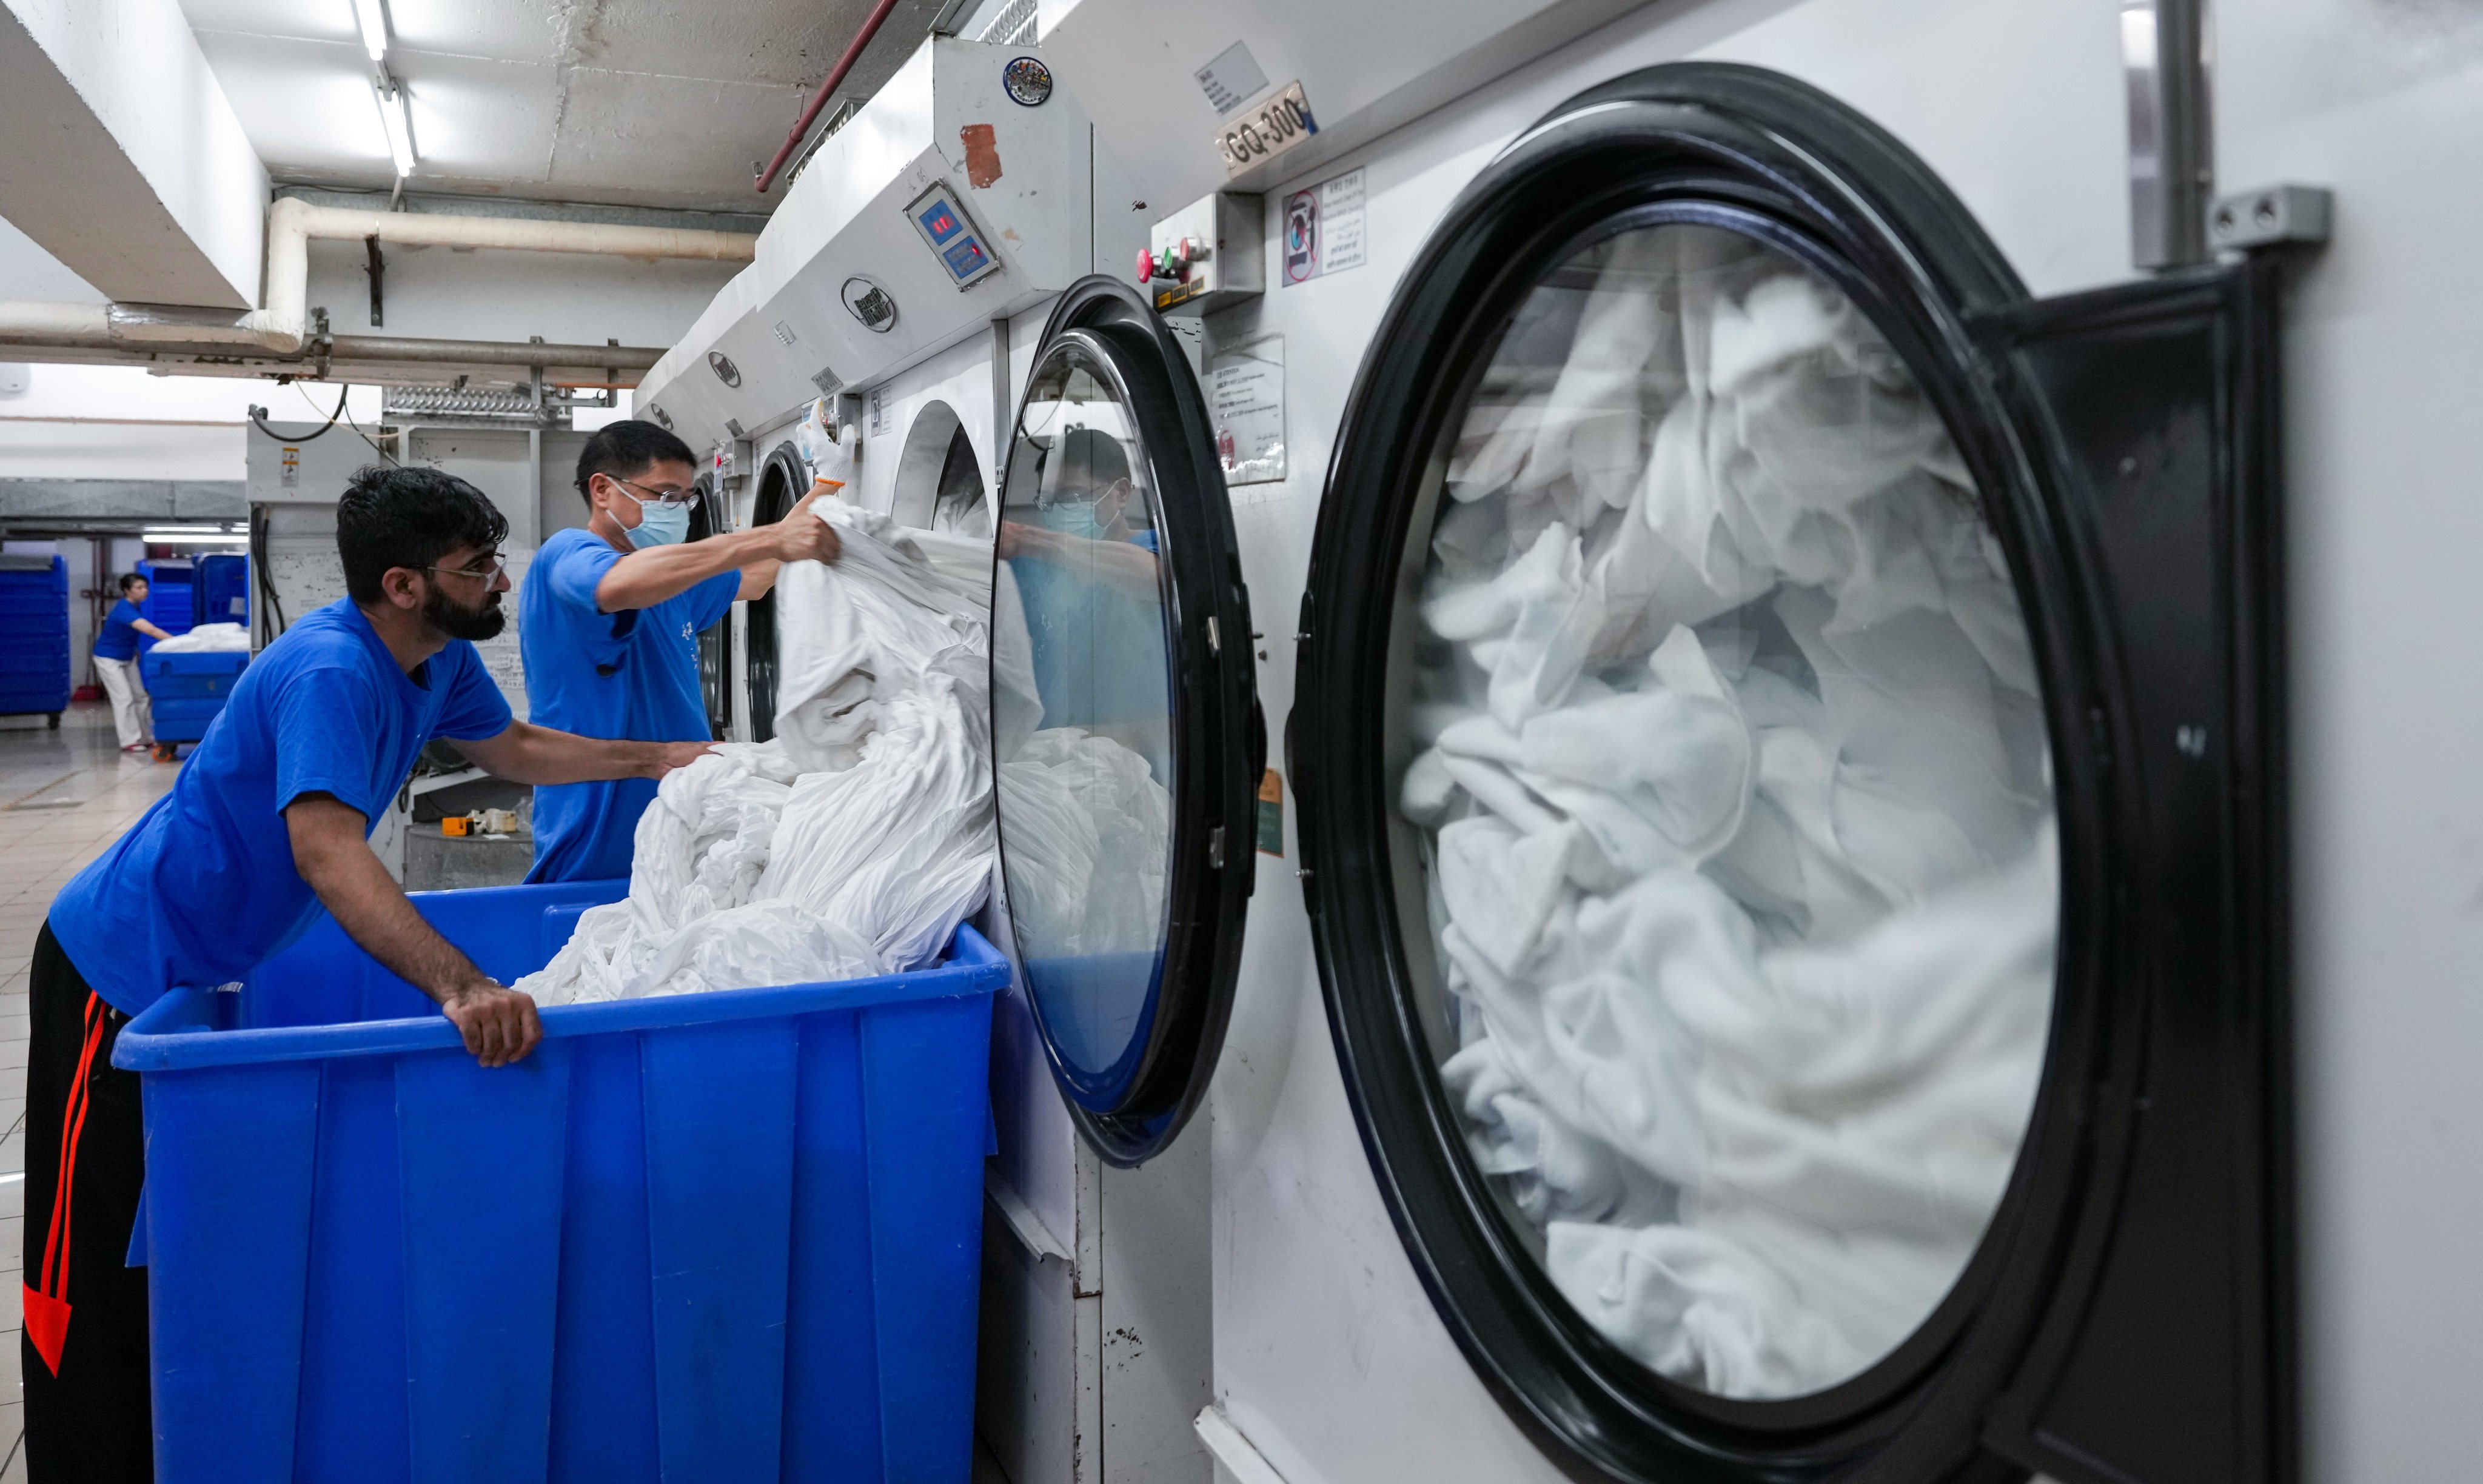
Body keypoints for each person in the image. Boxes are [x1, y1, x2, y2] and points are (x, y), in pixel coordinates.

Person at [24, 465, 714, 1481]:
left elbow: (514, 746)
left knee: (158, 1236)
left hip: (202, 963)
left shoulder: (436, 660)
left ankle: (162, 1440)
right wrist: (463, 984)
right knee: (79, 1259)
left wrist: (658, 758)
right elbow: (327, 850)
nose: (497, 582)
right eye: (477, 566)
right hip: (120, 965)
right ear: (403, 583)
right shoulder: (335, 672)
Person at [518, 418, 841, 883]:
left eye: (687, 499)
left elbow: (758, 574)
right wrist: (764, 538)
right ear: (602, 490)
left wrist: (825, 489)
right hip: (600, 828)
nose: (680, 511)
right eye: (664, 495)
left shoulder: (672, 583)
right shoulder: (569, 553)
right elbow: (617, 585)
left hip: (684, 818)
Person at [91, 574, 172, 754]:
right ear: (127, 591)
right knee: (124, 699)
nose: (144, 591)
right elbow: (150, 630)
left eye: (145, 587)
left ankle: (145, 737)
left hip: (127, 657)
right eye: (138, 588)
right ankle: (129, 740)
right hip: (108, 659)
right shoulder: (124, 609)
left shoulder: (135, 606)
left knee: (141, 697)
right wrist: (178, 644)